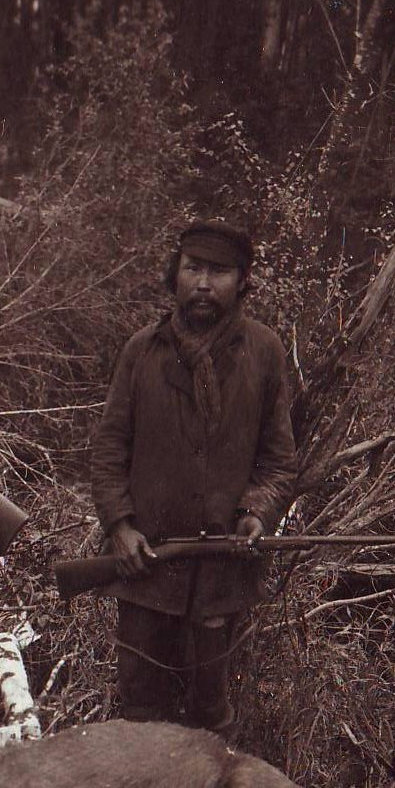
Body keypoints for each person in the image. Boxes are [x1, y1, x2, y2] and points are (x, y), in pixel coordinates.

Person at [90, 220, 297, 732]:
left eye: (220, 271)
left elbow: (278, 460)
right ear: (174, 275)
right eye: (194, 268)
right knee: (139, 712)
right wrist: (120, 527)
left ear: (243, 282)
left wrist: (256, 513)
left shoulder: (265, 352)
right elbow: (109, 449)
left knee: (210, 715)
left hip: (222, 575)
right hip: (145, 572)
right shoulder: (142, 351)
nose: (204, 283)